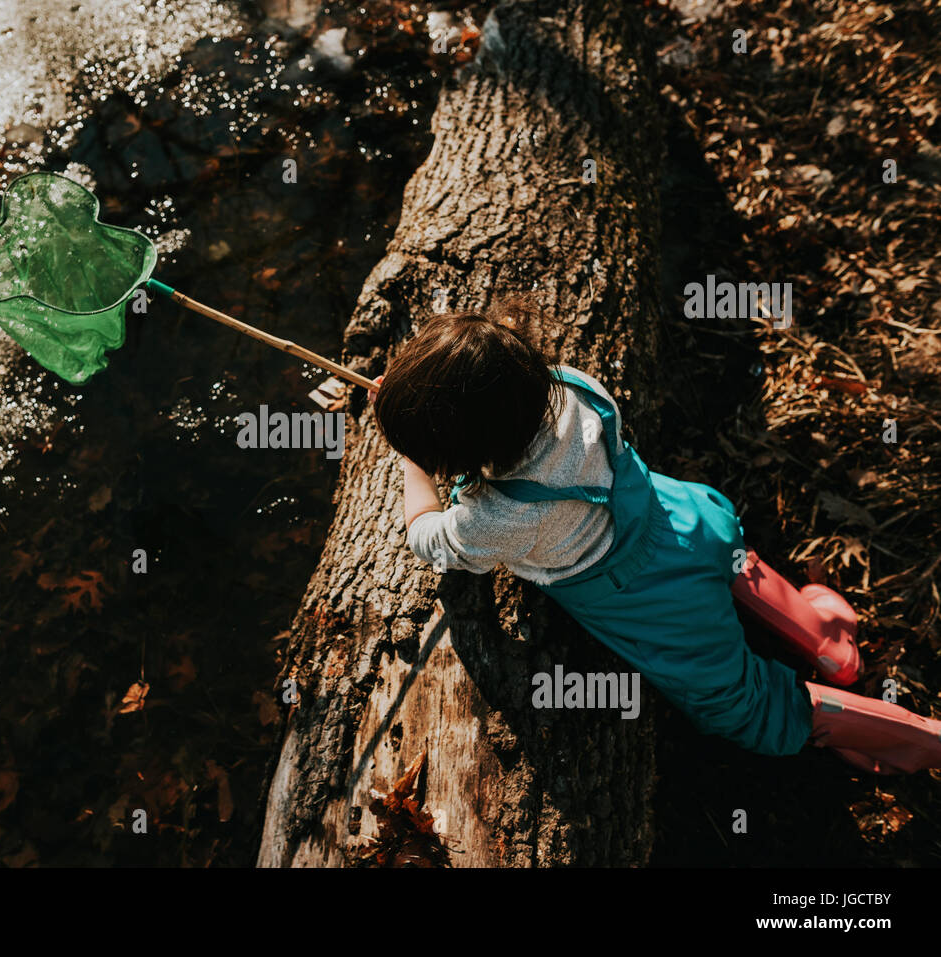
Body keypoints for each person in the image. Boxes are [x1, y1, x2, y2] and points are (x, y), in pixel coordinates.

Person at [371, 303, 941, 773]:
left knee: (738, 704)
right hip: (685, 517)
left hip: (649, 596)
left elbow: (428, 538)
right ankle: (828, 641)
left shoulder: (496, 518)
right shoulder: (566, 387)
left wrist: (412, 463)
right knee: (734, 564)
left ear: (462, 451)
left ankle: (912, 740)